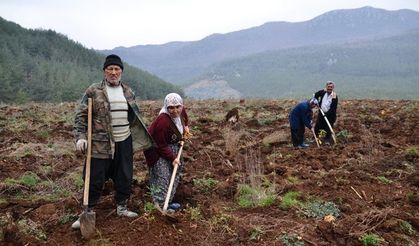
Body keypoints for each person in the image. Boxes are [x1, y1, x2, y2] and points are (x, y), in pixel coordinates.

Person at [72, 54, 154, 229]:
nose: (113, 72)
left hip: (124, 140)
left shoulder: (128, 91)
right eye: (110, 69)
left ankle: (122, 207)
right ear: (104, 71)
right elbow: (80, 115)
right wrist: (80, 137)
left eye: (117, 69)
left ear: (121, 72)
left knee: (124, 175)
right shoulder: (94, 91)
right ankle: (87, 212)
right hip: (99, 143)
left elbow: (134, 117)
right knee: (94, 177)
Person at [144, 93, 190, 212]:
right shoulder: (162, 121)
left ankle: (167, 202)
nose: (175, 111)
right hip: (156, 150)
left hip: (171, 146)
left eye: (177, 107)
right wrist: (173, 158)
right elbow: (160, 144)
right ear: (166, 107)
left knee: (174, 173)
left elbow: (184, 117)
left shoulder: (181, 111)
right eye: (171, 108)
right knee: (162, 176)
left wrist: (186, 128)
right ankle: (159, 206)